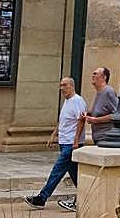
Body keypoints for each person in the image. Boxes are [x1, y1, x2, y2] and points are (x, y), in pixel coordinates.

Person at [56, 68, 120, 212]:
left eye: (95, 74)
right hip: (99, 138)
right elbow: (101, 112)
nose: (92, 76)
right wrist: (89, 114)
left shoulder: (108, 92)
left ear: (103, 77)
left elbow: (118, 114)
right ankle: (83, 200)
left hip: (106, 138)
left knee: (97, 171)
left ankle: (79, 201)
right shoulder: (99, 93)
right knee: (89, 171)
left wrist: (95, 120)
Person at [25, 78, 87, 210]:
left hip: (71, 143)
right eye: (60, 85)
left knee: (57, 170)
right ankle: (87, 196)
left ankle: (42, 198)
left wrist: (76, 140)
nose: (62, 88)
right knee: (75, 174)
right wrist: (54, 135)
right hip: (64, 142)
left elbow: (81, 121)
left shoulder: (77, 101)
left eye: (64, 85)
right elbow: (63, 120)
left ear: (71, 86)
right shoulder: (67, 102)